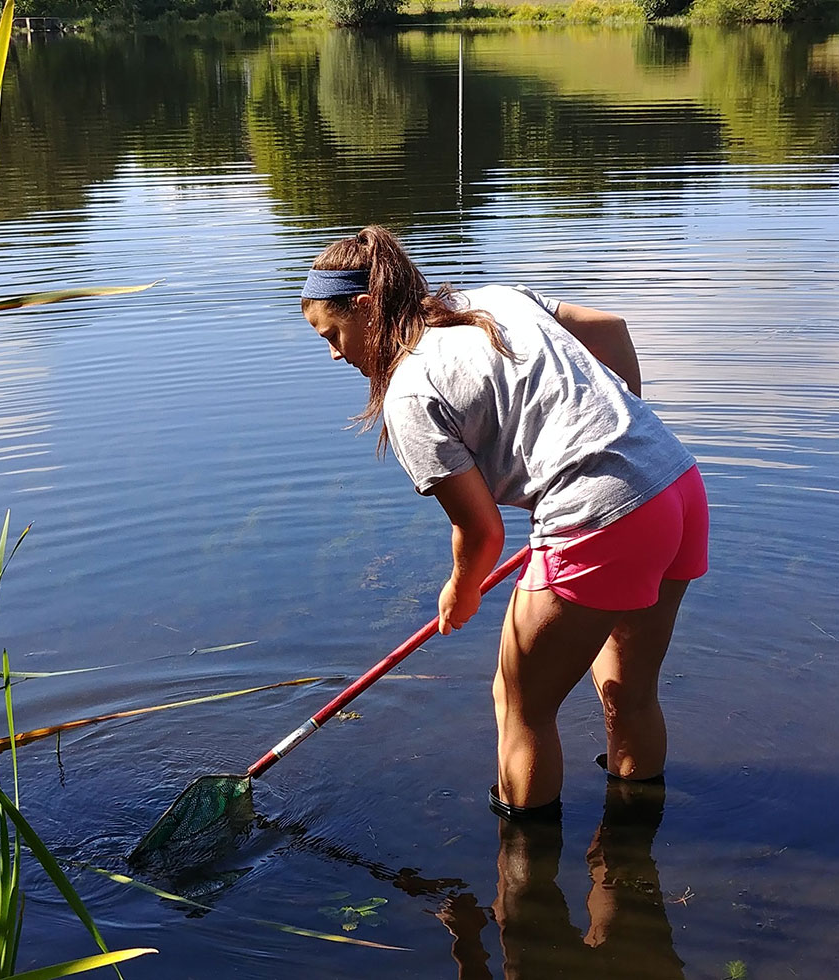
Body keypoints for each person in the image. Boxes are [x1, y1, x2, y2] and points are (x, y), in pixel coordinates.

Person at [301, 226, 709, 819]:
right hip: (673, 483)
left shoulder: (410, 393)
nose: (335, 354)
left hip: (599, 517)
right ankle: (631, 852)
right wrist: (625, 440)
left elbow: (482, 532)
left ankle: (525, 875)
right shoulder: (491, 301)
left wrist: (461, 591)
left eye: (332, 335)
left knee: (520, 706)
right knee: (629, 690)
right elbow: (613, 330)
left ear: (365, 308)